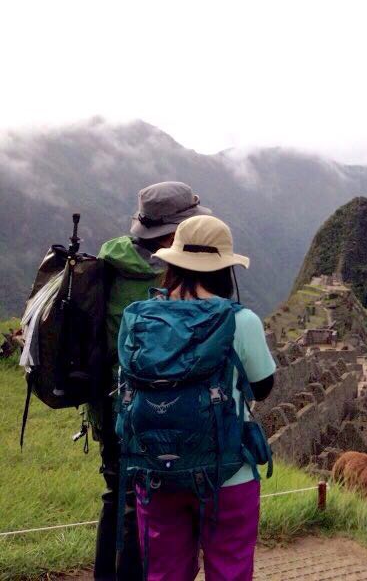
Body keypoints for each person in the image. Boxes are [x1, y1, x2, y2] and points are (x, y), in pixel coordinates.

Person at [130, 214, 275, 580]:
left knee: (164, 574)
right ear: (225, 269)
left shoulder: (140, 321)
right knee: (230, 571)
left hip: (158, 472)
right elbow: (263, 387)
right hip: (228, 474)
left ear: (173, 263)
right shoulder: (241, 322)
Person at [92, 181, 211, 580]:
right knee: (143, 502)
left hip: (105, 400)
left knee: (116, 495)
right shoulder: (161, 275)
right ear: (175, 230)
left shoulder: (109, 262)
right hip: (148, 409)